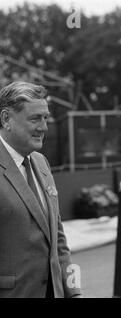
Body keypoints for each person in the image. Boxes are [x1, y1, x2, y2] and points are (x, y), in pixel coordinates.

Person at [0, 82, 82, 298]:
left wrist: (74, 292)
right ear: (6, 119)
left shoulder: (41, 162)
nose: (44, 127)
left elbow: (59, 242)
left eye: (46, 118)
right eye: (35, 118)